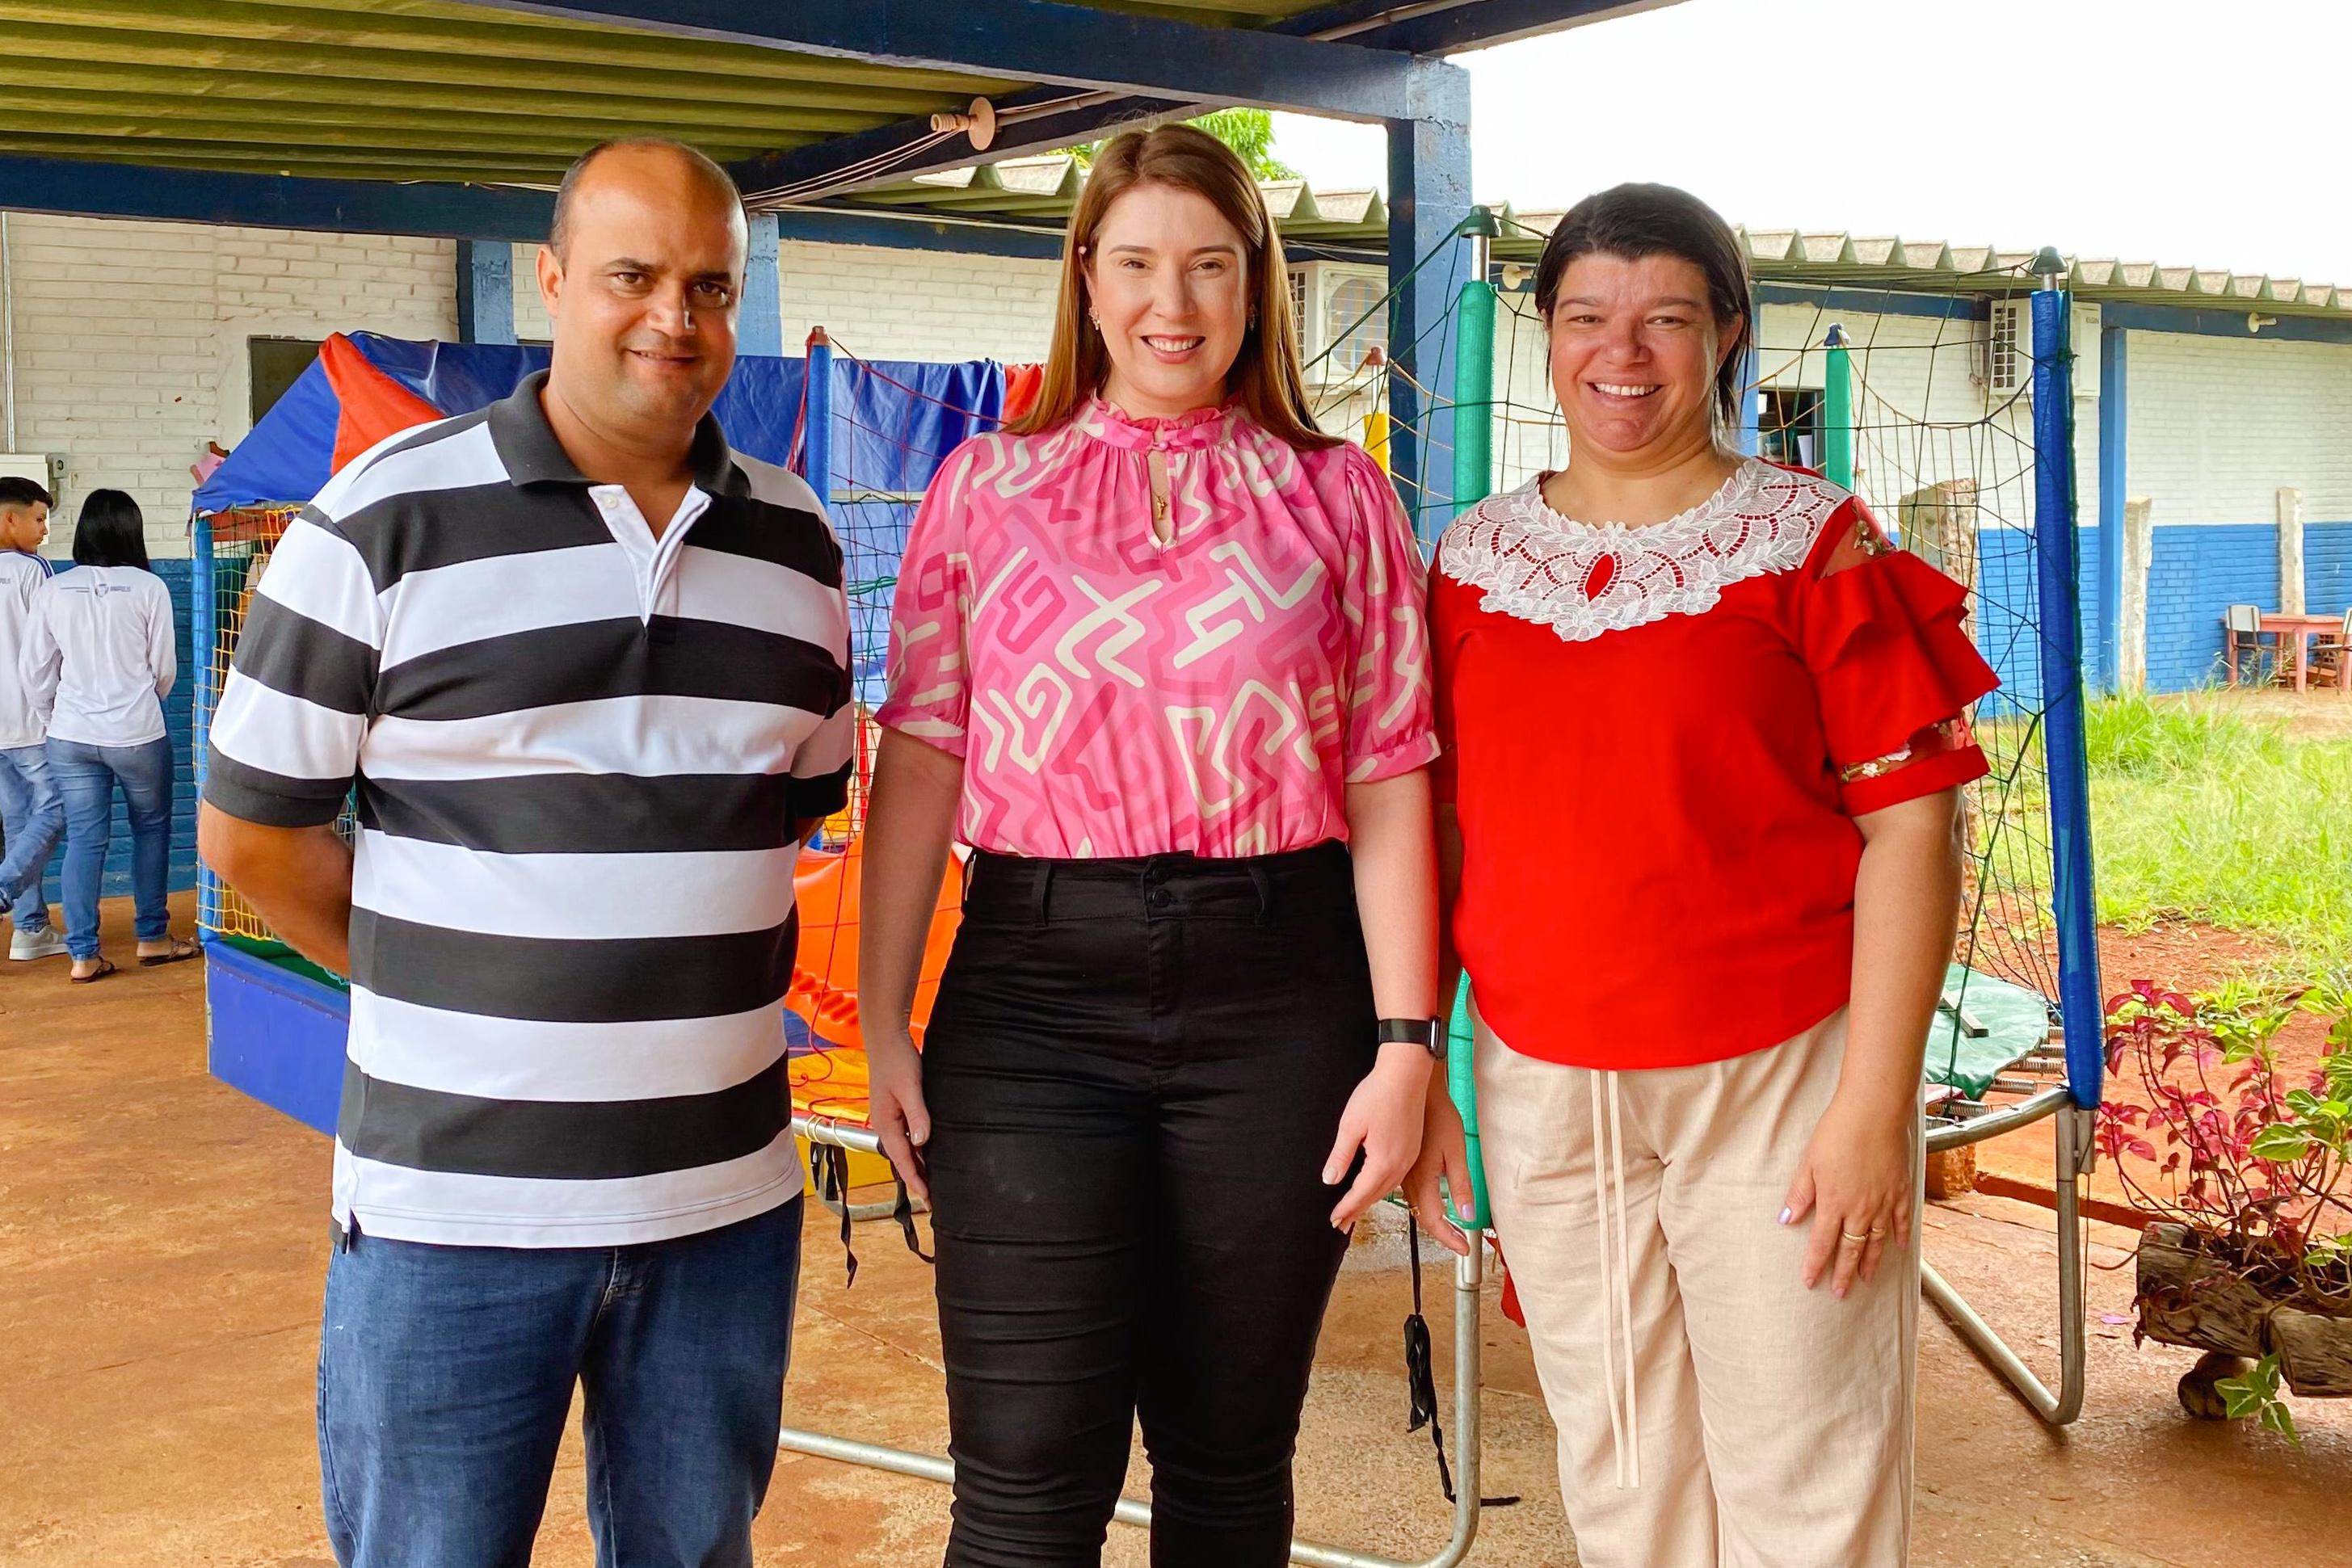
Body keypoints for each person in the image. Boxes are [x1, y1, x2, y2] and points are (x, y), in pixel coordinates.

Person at [197, 138, 852, 1568]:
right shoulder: (380, 520)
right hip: (456, 1212)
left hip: (724, 1205)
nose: (670, 320)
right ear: (553, 281)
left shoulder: (797, 547)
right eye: (630, 276)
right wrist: (444, 984)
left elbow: (790, 811)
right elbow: (250, 832)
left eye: (706, 286)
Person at [857, 124, 1444, 1568]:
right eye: (1135, 263)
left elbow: (1387, 777)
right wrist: (877, 1019)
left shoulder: (1339, 497)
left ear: (1258, 286)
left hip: (1280, 995)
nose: (1170, 302)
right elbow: (923, 759)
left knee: (1232, 1461)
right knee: (1024, 1476)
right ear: (1085, 276)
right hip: (1034, 997)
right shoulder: (981, 492)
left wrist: (1406, 1043)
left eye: (1207, 265)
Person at [1403, 183, 1998, 1567]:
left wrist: (1873, 1106)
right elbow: (1434, 833)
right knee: (1618, 1467)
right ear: (1544, 336)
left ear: (1726, 335)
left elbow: (1914, 826)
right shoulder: (1474, 561)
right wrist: (1432, 1070)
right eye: (1588, 316)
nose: (1625, 352)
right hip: (1543, 1084)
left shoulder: (1810, 539)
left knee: (1806, 1463)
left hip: (1781, 1075)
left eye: (1667, 317)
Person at [19, 488, 188, 980]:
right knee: (152, 830)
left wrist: (55, 717)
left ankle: (82, 955)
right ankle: (153, 939)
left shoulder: (55, 589)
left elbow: (36, 671)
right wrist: (137, 704)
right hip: (137, 733)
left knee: (86, 840)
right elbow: (164, 670)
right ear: (131, 530)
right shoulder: (149, 588)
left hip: (70, 735)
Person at [0, 475, 67, 962]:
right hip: (30, 716)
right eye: (39, 518)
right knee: (59, 806)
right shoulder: (31, 570)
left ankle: (30, 929)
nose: (44, 530)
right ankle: (6, 890)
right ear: (10, 519)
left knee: (19, 819)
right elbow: (51, 647)